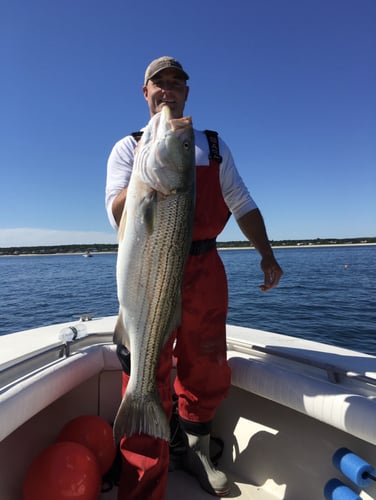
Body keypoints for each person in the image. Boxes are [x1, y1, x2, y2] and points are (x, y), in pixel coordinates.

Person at [106, 56, 283, 499]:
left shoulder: (213, 146)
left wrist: (267, 254)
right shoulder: (130, 148)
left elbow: (242, 204)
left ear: (187, 92)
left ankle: (198, 452)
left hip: (206, 269)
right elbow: (115, 210)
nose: (169, 90)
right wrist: (147, 180)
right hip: (152, 269)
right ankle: (142, 475)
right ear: (144, 92)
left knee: (205, 366)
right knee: (145, 366)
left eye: (177, 84)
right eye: (159, 84)